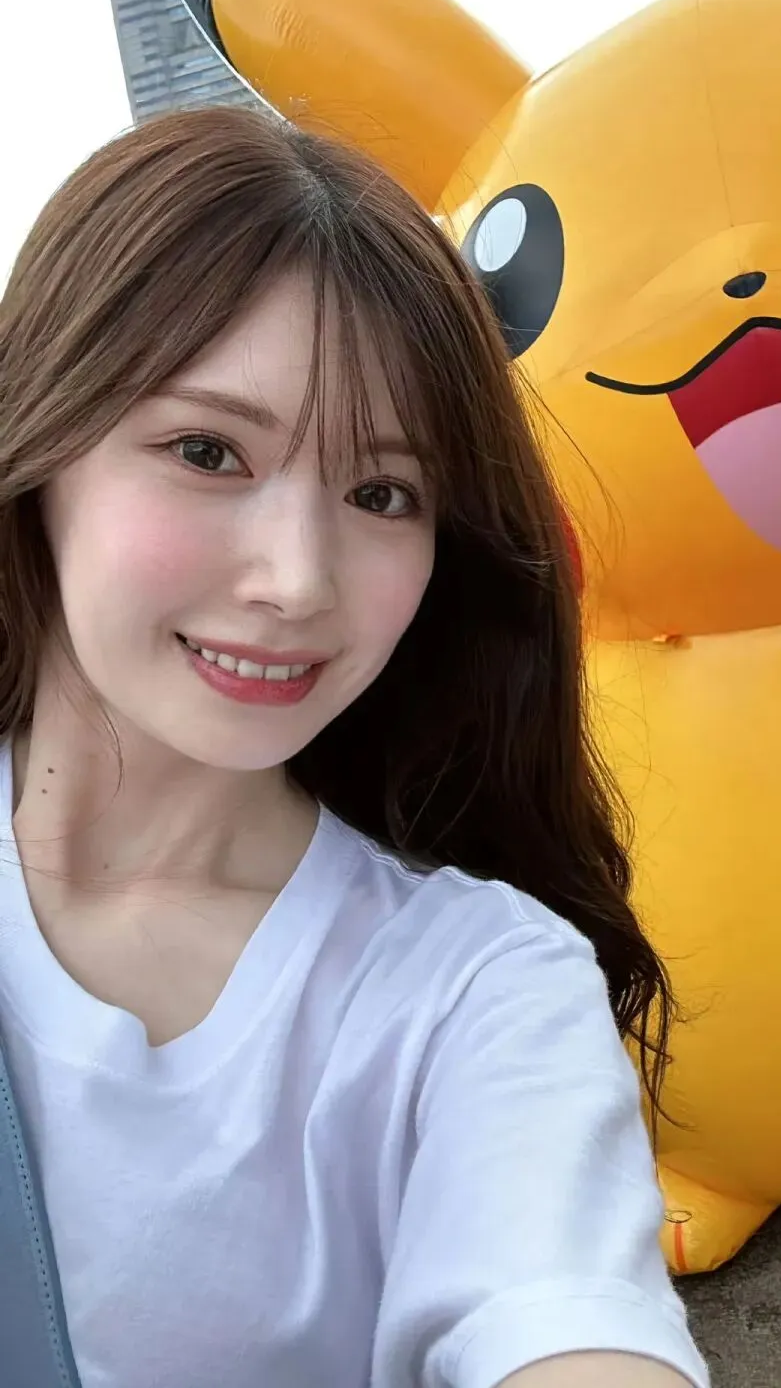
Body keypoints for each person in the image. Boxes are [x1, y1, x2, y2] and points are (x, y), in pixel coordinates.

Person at [0, 105, 710, 1388]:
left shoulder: (473, 990)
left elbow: (564, 1321)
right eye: (208, 452)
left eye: (383, 492)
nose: (297, 579)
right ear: (41, 444)